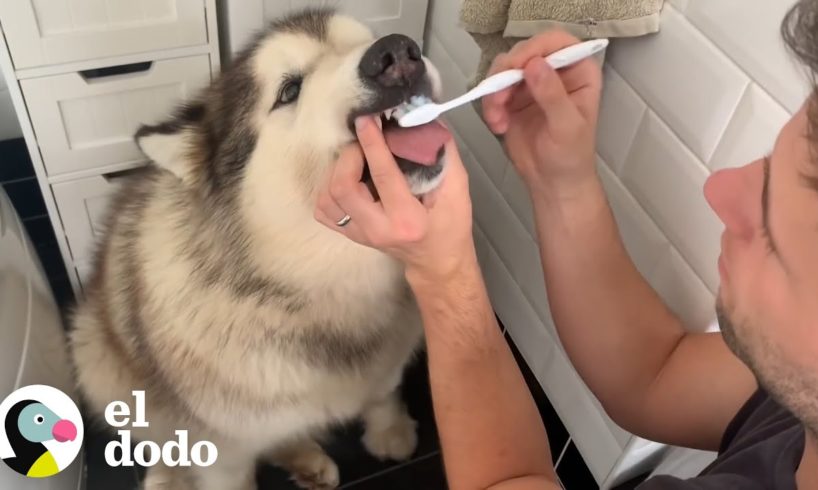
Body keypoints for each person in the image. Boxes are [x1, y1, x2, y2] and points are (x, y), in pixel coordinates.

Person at [314, 0, 818, 488]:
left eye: (773, 234)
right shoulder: (794, 400)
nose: (719, 190)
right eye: (770, 164)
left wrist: (444, 275)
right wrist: (562, 181)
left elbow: (508, 481)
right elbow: (656, 374)